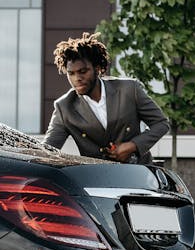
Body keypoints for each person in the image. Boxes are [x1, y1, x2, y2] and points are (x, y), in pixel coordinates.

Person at [43, 32, 169, 164]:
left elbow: (161, 123)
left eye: (83, 71)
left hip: (139, 173)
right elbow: (47, 150)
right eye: (71, 73)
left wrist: (132, 146)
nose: (77, 79)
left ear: (97, 69)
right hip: (98, 178)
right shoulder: (64, 108)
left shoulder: (129, 90)